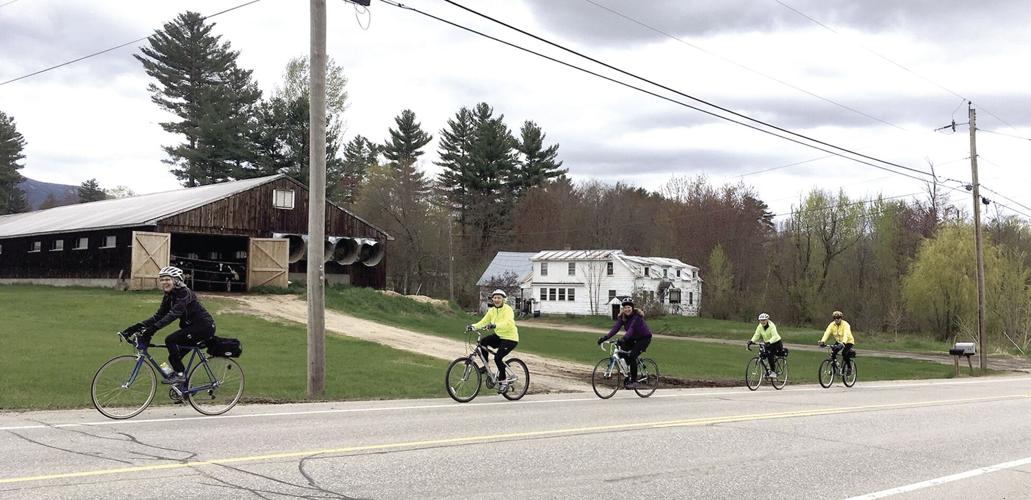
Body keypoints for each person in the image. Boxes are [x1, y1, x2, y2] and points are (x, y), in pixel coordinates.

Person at [122, 266, 216, 385]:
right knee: (173, 358)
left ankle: (181, 376)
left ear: (176, 280)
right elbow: (159, 316)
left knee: (170, 340)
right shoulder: (169, 295)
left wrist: (152, 330)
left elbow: (173, 314)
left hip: (203, 327)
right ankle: (185, 390)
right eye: (162, 280)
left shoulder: (184, 293)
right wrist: (134, 328)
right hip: (191, 328)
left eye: (167, 279)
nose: (164, 282)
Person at [467, 289, 520, 391]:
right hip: (499, 336)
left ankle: (503, 382)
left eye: (499, 298)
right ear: (492, 299)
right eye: (495, 298)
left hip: (510, 338)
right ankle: (486, 367)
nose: (496, 300)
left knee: (498, 358)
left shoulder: (508, 309)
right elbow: (483, 322)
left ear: (503, 299)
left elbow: (508, 323)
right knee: (483, 342)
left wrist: (495, 325)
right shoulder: (491, 311)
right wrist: (473, 326)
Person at [597, 297, 653, 389]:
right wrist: (605, 338)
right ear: (623, 309)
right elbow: (615, 328)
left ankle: (634, 381)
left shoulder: (637, 317)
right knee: (622, 352)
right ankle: (628, 375)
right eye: (625, 307)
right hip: (633, 338)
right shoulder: (622, 317)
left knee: (632, 356)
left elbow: (631, 329)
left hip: (644, 338)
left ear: (632, 308)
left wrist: (624, 338)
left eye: (629, 307)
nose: (627, 309)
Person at [748, 312, 784, 377]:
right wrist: (751, 341)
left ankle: (773, 371)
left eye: (764, 320)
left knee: (770, 355)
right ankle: (767, 370)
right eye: (761, 320)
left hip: (776, 342)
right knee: (763, 355)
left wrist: (769, 342)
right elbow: (757, 335)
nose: (762, 322)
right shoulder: (759, 326)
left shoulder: (771, 326)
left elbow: (775, 336)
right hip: (767, 343)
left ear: (767, 320)